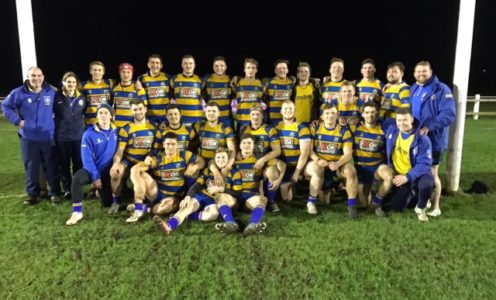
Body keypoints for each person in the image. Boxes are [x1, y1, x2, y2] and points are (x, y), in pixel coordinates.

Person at [2, 66, 62, 205]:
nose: (37, 78)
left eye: (39, 75)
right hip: (29, 137)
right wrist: (17, 121)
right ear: (28, 77)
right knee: (31, 167)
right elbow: (5, 106)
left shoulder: (51, 91)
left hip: (48, 137)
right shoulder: (19, 92)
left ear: (43, 76)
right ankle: (32, 194)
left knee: (52, 166)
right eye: (33, 76)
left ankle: (55, 193)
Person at [154, 147, 236, 234]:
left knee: (212, 215)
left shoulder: (234, 172)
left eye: (223, 157)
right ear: (214, 159)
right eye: (218, 157)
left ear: (228, 158)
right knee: (186, 209)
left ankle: (189, 217)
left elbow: (237, 193)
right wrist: (188, 197)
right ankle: (168, 226)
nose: (221, 160)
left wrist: (221, 189)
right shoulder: (208, 171)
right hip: (201, 196)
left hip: (214, 201)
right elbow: (197, 184)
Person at [410, 61, 456, 217]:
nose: (421, 74)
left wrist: (430, 125)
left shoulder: (441, 89)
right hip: (417, 140)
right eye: (418, 71)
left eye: (424, 71)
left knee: (432, 173)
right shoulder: (414, 88)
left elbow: (449, 114)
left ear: (431, 71)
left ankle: (436, 206)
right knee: (419, 171)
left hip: (434, 141)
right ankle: (425, 200)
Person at [127, 132, 205, 223]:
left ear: (177, 145)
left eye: (173, 144)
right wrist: (138, 186)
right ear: (163, 145)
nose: (170, 147)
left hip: (173, 197)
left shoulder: (184, 155)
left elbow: (201, 161)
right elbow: (134, 169)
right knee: (141, 175)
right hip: (157, 193)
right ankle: (138, 210)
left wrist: (195, 166)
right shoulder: (158, 159)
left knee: (164, 208)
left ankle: (146, 209)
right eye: (168, 144)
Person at [65, 103, 118, 225]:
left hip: (108, 172)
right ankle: (77, 212)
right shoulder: (88, 134)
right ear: (97, 116)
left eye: (106, 113)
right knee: (77, 179)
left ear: (111, 115)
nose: (103, 116)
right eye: (100, 113)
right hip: (93, 170)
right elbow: (86, 159)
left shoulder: (116, 131)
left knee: (106, 203)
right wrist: (95, 177)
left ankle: (115, 198)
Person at [306, 103, 359, 217]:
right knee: (318, 169)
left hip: (336, 165)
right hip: (320, 163)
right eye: (327, 113)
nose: (330, 116)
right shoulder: (315, 128)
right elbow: (309, 151)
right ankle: (311, 202)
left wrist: (338, 163)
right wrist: (318, 160)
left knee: (350, 171)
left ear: (337, 114)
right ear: (322, 116)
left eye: (333, 113)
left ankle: (352, 206)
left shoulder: (344, 131)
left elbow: (348, 154)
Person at [385, 107, 434, 221]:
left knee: (427, 183)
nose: (402, 123)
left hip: (415, 175)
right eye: (399, 120)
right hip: (399, 175)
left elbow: (425, 164)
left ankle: (421, 206)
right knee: (397, 207)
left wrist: (408, 177)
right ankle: (414, 193)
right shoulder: (392, 131)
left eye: (405, 120)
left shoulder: (422, 138)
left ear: (411, 119)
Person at [109, 98, 156, 213]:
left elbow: (157, 146)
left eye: (140, 109)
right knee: (116, 172)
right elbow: (120, 150)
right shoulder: (126, 129)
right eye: (135, 110)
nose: (138, 112)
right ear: (131, 111)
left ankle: (145, 201)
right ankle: (116, 201)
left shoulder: (154, 127)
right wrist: (116, 164)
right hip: (129, 159)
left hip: (145, 161)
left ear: (145, 109)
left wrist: (150, 155)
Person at [239, 104, 285, 213]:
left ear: (262, 116)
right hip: (248, 162)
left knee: (273, 172)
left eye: (258, 114)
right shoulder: (243, 128)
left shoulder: (270, 130)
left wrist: (263, 159)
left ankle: (272, 202)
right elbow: (239, 147)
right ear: (249, 116)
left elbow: (277, 151)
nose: (255, 117)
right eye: (253, 114)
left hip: (263, 162)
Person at [350, 101, 392, 216]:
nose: (370, 115)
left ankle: (377, 202)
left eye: (373, 112)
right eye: (367, 112)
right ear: (362, 114)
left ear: (377, 113)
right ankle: (371, 196)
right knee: (364, 204)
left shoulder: (384, 128)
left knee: (389, 176)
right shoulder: (354, 127)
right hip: (361, 167)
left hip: (376, 166)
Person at [53, 71, 86, 198]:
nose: (71, 84)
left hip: (78, 136)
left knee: (78, 163)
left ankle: (77, 188)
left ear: (76, 83)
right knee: (64, 164)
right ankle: (67, 189)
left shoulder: (81, 97)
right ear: (63, 83)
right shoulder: (57, 97)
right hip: (62, 137)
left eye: (73, 82)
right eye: (68, 82)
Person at [275, 100, 311, 202]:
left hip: (296, 165)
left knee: (288, 198)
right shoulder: (276, 127)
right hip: (282, 165)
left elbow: (304, 153)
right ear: (281, 111)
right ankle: (291, 186)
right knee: (286, 199)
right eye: (285, 108)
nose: (288, 111)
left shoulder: (302, 128)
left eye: (290, 108)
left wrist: (297, 172)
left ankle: (299, 182)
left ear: (295, 111)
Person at [136, 54, 171, 129]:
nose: (155, 65)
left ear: (161, 66)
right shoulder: (141, 78)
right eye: (152, 62)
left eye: (157, 63)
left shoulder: (167, 77)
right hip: (150, 117)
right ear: (148, 65)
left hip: (165, 117)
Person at [231, 58, 267, 129]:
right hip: (241, 123)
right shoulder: (237, 83)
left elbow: (266, 101)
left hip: (256, 123)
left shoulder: (262, 84)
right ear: (244, 69)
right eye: (248, 68)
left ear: (256, 70)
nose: (251, 70)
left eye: (253, 68)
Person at [170, 55, 204, 126]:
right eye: (185, 63)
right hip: (180, 119)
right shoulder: (174, 79)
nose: (188, 66)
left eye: (190, 63)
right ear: (182, 65)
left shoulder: (200, 80)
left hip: (197, 120)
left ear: (194, 65)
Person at [202, 56, 235, 127]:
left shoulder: (231, 80)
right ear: (213, 67)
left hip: (227, 119)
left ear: (226, 67)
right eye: (216, 66)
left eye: (221, 65)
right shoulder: (207, 80)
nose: (219, 68)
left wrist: (237, 77)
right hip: (212, 119)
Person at [112, 63, 147, 128]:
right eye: (123, 72)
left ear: (132, 74)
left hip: (132, 126)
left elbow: (144, 108)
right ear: (120, 73)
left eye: (128, 72)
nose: (126, 74)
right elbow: (113, 108)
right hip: (117, 125)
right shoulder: (115, 89)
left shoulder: (138, 89)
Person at [81, 61, 114, 126]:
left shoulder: (110, 83)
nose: (97, 72)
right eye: (95, 70)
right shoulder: (83, 85)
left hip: (106, 123)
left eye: (99, 70)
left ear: (103, 72)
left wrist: (138, 80)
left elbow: (127, 82)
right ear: (90, 71)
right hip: (90, 123)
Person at [265, 59, 296, 124]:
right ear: (275, 71)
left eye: (284, 68)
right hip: (272, 122)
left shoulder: (292, 81)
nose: (281, 70)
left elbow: (304, 78)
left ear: (287, 70)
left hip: (287, 121)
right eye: (279, 68)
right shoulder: (268, 82)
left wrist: (313, 79)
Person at [381, 62, 410, 130]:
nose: (391, 74)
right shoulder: (387, 88)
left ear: (401, 74)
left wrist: (390, 107)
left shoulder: (404, 88)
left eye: (394, 72)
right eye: (389, 72)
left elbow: (406, 110)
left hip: (396, 125)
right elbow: (383, 107)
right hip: (385, 123)